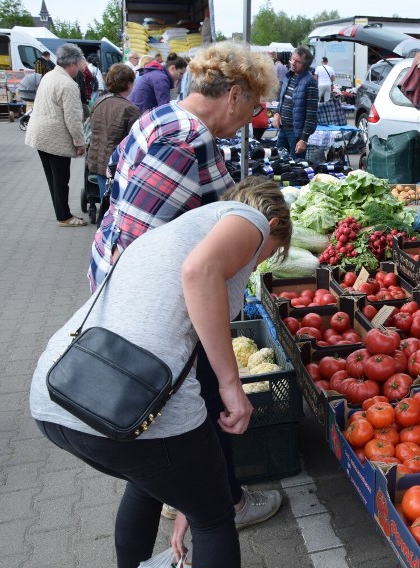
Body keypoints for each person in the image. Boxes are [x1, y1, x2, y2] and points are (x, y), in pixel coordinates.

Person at [31, 175, 292, 568]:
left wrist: (192, 490)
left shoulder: (174, 232)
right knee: (216, 517)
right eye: (271, 253)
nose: (260, 262)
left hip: (61, 394)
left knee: (148, 479)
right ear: (274, 227)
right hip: (130, 397)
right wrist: (232, 385)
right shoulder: (249, 220)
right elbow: (198, 272)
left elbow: (195, 387)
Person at [88, 41, 281, 545]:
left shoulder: (159, 120)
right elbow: (140, 239)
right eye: (254, 108)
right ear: (234, 95)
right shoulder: (184, 139)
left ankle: (209, 503)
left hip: (125, 300)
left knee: (150, 468)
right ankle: (220, 506)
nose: (249, 122)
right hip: (149, 319)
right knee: (179, 442)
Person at [25, 43, 88, 227]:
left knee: (53, 179)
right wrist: (80, 142)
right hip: (54, 137)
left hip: (39, 135)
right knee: (61, 180)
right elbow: (74, 118)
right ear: (73, 64)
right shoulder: (68, 84)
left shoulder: (50, 75)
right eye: (79, 65)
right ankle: (64, 217)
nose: (79, 69)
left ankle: (61, 213)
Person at [86, 63, 140, 207]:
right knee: (116, 207)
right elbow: (138, 141)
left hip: (97, 161)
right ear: (129, 83)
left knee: (106, 202)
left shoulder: (98, 102)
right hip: (116, 166)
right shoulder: (129, 109)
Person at [271, 47, 318, 160]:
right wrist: (277, 112)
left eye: (298, 62)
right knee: (278, 163)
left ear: (305, 65)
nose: (293, 63)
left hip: (296, 134)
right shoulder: (288, 76)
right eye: (292, 59)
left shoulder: (310, 82)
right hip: (283, 130)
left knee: (295, 169)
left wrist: (303, 139)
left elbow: (311, 114)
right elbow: (283, 100)